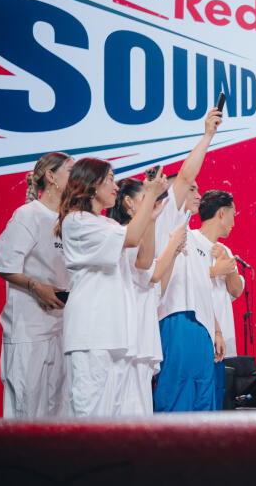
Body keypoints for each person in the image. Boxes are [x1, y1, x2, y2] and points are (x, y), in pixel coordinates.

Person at [55, 158, 168, 416]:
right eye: (109, 179)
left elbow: (143, 261)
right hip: (91, 336)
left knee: (112, 423)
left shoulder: (108, 225)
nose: (116, 186)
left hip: (116, 337)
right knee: (90, 419)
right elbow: (131, 238)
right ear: (90, 184)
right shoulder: (77, 221)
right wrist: (148, 195)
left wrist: (149, 219)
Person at [153, 109, 229, 412]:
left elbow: (202, 290)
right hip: (175, 320)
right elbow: (185, 175)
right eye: (193, 189)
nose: (197, 192)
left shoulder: (196, 238)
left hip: (201, 328)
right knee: (177, 402)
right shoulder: (165, 222)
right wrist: (208, 134)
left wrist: (216, 330)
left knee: (203, 405)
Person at [0, 152, 74, 417]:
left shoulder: (69, 221)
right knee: (27, 415)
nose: (78, 179)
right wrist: (37, 288)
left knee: (60, 414)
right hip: (29, 332)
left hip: (62, 330)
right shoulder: (28, 215)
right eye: (71, 172)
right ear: (51, 176)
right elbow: (2, 263)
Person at [106, 178, 187, 415]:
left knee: (140, 404)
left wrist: (173, 251)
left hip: (142, 329)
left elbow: (156, 281)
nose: (152, 204)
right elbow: (147, 271)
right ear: (128, 202)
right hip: (127, 334)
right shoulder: (121, 235)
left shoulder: (138, 235)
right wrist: (172, 245)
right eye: (146, 198)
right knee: (124, 406)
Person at [192, 190, 244, 409]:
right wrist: (214, 270)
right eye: (233, 213)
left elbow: (237, 291)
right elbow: (183, 282)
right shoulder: (190, 240)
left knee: (219, 401)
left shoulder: (225, 249)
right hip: (199, 333)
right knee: (199, 399)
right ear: (222, 213)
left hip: (223, 341)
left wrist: (228, 268)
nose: (234, 220)